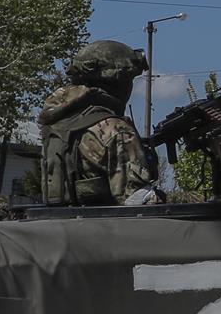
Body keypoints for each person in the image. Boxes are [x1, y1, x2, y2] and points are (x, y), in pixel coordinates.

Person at [38, 39, 160, 206]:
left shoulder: (60, 124)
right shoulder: (116, 129)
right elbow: (137, 201)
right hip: (110, 222)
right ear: (119, 82)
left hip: (69, 218)